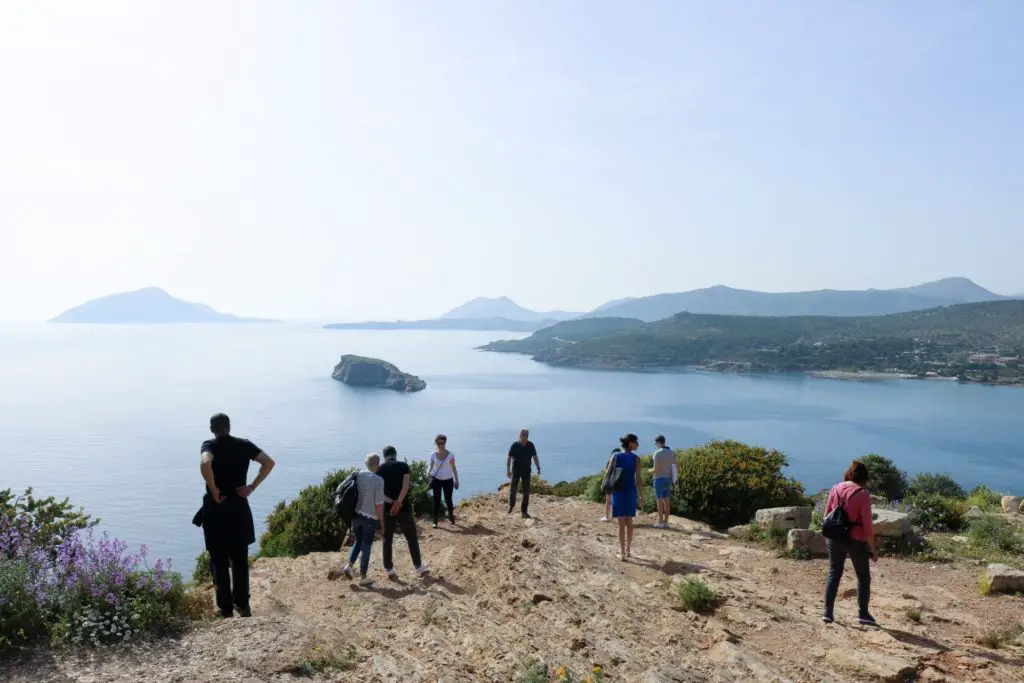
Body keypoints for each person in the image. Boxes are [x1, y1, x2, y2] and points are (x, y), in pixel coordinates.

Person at [199, 413, 275, 618]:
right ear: (229, 427)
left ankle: (225, 609)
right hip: (239, 507)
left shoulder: (210, 445)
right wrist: (251, 487)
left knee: (219, 558)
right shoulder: (244, 445)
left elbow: (205, 464)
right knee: (240, 559)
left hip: (217, 508)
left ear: (212, 429)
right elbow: (268, 463)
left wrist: (214, 491)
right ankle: (243, 605)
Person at [822, 460, 878, 626]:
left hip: (835, 537)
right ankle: (863, 613)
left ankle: (828, 612)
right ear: (864, 477)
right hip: (856, 539)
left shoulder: (835, 488)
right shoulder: (863, 494)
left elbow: (827, 515)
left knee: (834, 572)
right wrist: (873, 550)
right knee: (863, 576)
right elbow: (867, 527)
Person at [377, 445, 429, 579]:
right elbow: (406, 486)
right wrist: (399, 502)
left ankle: (389, 569)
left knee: (387, 539)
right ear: (395, 454)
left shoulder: (379, 469)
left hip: (388, 509)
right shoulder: (404, 466)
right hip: (404, 507)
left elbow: (379, 493)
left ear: (384, 456)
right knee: (411, 537)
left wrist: (392, 503)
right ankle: (419, 567)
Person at [339, 453, 386, 586]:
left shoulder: (358, 474)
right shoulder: (379, 480)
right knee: (366, 546)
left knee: (358, 541)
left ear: (366, 464)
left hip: (356, 515)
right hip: (370, 518)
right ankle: (363, 577)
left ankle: (349, 566)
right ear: (377, 464)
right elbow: (378, 504)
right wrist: (382, 522)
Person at [605, 434, 644, 560]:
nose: (637, 444)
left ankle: (622, 552)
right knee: (629, 521)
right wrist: (642, 496)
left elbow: (608, 473)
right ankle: (628, 550)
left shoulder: (615, 456)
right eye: (636, 442)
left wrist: (606, 487)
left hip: (619, 491)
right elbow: (638, 479)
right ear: (630, 443)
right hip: (630, 491)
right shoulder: (636, 459)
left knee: (621, 522)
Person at [506, 428, 541, 518]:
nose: (525, 437)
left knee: (526, 491)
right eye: (523, 435)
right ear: (520, 435)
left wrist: (538, 467)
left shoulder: (530, 445)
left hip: (526, 471)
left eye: (526, 435)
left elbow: (535, 457)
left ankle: (524, 511)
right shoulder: (514, 445)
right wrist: (508, 470)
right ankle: (511, 505)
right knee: (513, 489)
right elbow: (509, 457)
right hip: (516, 470)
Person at [428, 434, 459, 529]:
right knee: (436, 500)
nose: (441, 445)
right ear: (436, 443)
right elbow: (431, 465)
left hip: (448, 480)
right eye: (439, 443)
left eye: (442, 443)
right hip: (437, 480)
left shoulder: (450, 455)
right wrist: (428, 471)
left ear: (445, 443)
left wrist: (457, 480)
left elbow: (454, 467)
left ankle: (451, 517)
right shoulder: (433, 455)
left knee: (448, 499)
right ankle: (435, 521)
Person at [651, 435, 676, 529]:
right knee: (667, 500)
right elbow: (675, 466)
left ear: (658, 442)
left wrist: (649, 471)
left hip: (658, 479)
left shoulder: (657, 453)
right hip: (668, 479)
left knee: (659, 500)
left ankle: (660, 522)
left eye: (655, 443)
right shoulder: (672, 452)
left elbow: (655, 468)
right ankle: (666, 522)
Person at [599, 447, 621, 522]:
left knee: (608, 500)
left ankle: (607, 516)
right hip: (618, 482)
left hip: (610, 482)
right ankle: (619, 517)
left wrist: (603, 482)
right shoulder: (621, 462)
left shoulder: (609, 461)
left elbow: (607, 472)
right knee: (618, 500)